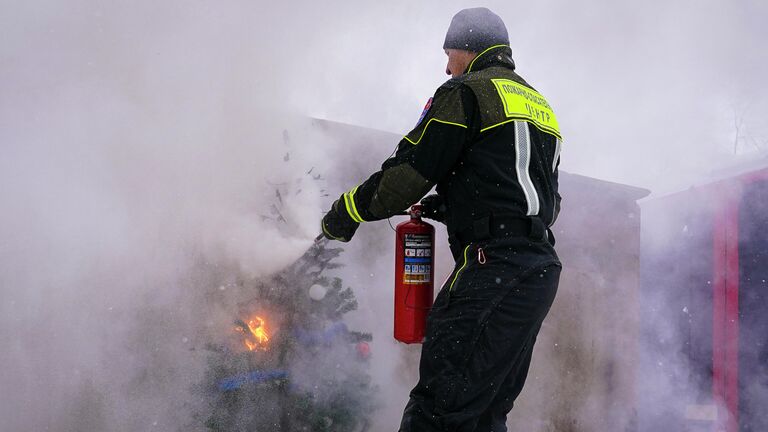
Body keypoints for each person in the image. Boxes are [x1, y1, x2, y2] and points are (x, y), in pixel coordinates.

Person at [321, 7, 562, 431]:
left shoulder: (465, 92)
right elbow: (534, 199)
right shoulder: (539, 106)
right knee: (485, 411)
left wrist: (349, 210)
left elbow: (409, 173)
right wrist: (451, 208)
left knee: (440, 409)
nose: (446, 66)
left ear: (468, 49)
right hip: (538, 270)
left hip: (491, 268)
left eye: (449, 54)